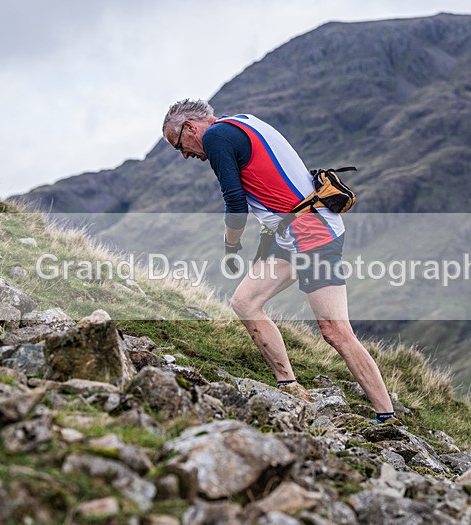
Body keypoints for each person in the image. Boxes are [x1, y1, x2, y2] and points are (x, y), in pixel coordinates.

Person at [162, 99, 396, 423]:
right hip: (291, 233)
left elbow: (235, 202)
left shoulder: (216, 136)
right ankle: (289, 386)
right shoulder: (240, 121)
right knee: (245, 302)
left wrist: (231, 246)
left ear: (190, 127)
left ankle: (387, 416)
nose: (185, 155)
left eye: (179, 146)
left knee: (335, 331)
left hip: (313, 233)